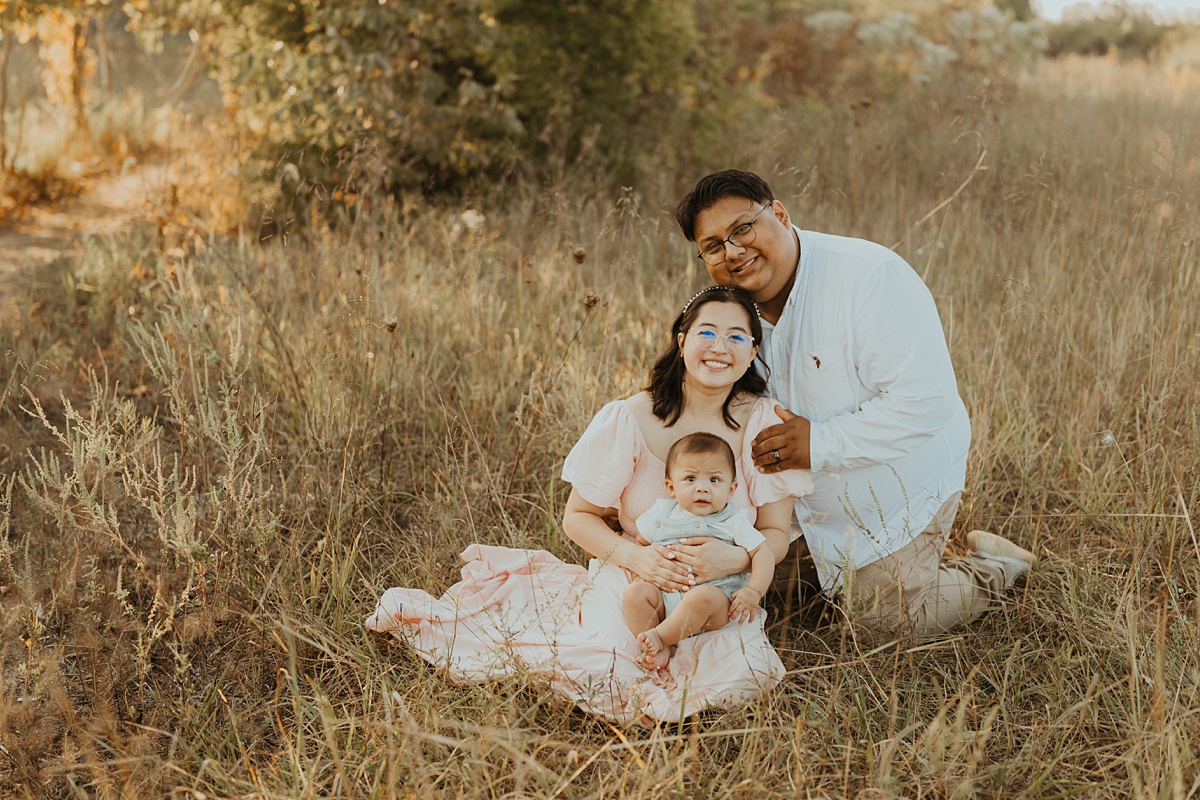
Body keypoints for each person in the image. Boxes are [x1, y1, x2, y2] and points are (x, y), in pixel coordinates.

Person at [366, 285, 814, 724]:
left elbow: (775, 533)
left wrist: (733, 556)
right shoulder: (632, 417)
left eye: (737, 336)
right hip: (634, 571)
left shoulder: (764, 423)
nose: (721, 347)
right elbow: (577, 517)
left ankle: (680, 650)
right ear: (682, 341)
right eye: (707, 333)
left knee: (738, 674)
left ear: (753, 349)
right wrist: (637, 557)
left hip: (725, 585)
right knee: (607, 672)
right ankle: (647, 644)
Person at [668, 169, 1036, 640]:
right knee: (720, 594)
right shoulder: (729, 312)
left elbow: (927, 403)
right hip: (795, 502)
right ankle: (821, 572)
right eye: (714, 246)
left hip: (896, 488)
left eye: (743, 229)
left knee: (885, 624)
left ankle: (993, 568)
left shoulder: (869, 276)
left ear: (779, 213)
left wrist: (818, 444)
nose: (733, 252)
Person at [623, 432, 776, 670]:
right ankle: (655, 649)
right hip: (664, 597)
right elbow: (641, 544)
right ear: (670, 487)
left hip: (714, 603)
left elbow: (764, 552)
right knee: (634, 595)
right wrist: (641, 575)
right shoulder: (661, 512)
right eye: (691, 479)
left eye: (714, 480)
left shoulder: (734, 521)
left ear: (732, 488)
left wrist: (754, 592)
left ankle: (661, 637)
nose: (702, 489)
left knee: (700, 598)